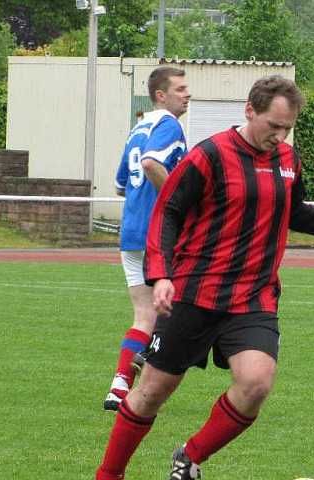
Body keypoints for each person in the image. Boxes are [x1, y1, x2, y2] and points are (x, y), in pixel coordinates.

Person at [83, 75, 314, 480]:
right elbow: (168, 212)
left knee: (257, 383)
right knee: (151, 392)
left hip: (253, 297)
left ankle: (190, 456)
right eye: (273, 125)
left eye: (287, 128)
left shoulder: (287, 159)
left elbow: (293, 211)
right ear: (250, 111)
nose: (279, 136)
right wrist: (161, 275)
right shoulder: (210, 156)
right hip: (195, 293)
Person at [105, 66, 191, 411]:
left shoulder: (137, 128)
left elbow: (121, 184)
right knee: (184, 308)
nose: (187, 94)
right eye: (181, 88)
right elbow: (154, 163)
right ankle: (149, 354)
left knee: (145, 314)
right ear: (161, 95)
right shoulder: (169, 124)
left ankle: (119, 386)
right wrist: (178, 201)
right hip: (159, 236)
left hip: (131, 232)